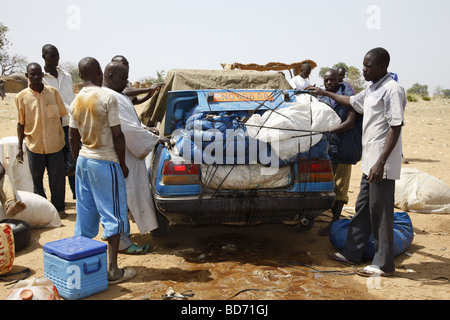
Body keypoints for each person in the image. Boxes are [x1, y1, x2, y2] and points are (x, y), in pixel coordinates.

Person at [308, 47, 406, 277]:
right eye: (363, 65)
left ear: (383, 66)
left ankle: (383, 265)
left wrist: (381, 162)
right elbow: (351, 101)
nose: (364, 69)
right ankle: (351, 253)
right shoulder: (372, 89)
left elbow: (395, 127)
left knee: (381, 213)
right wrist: (325, 92)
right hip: (369, 161)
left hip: (382, 164)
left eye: (368, 65)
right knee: (363, 209)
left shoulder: (392, 90)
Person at [68, 57, 135, 284]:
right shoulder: (107, 97)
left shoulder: (76, 100)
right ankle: (113, 270)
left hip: (84, 162)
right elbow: (117, 135)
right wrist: (122, 164)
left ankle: (81, 267)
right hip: (105, 161)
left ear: (80, 75)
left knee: (85, 216)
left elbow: (72, 137)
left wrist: (79, 161)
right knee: (113, 215)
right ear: (99, 72)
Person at [102, 61, 167, 254]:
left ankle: (119, 236)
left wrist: (147, 132)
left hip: (122, 154)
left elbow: (132, 124)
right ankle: (121, 241)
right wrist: (155, 139)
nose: (125, 83)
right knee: (122, 198)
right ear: (110, 75)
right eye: (123, 79)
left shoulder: (116, 95)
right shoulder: (111, 97)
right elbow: (127, 130)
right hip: (120, 156)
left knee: (122, 198)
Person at [313, 69, 362, 236]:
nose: (328, 83)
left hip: (344, 146)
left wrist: (328, 132)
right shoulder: (322, 95)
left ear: (338, 80)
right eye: (326, 81)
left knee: (340, 187)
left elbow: (349, 122)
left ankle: (334, 223)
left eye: (332, 80)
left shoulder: (346, 93)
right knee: (327, 183)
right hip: (328, 147)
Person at [15, 62, 67, 218]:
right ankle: (43, 211)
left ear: (43, 75)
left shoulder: (53, 93)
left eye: (39, 74)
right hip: (34, 145)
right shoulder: (21, 97)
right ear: (27, 76)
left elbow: (61, 118)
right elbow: (20, 123)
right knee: (37, 180)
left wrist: (66, 143)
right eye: (33, 74)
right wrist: (19, 146)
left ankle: (59, 209)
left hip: (55, 145)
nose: (36, 77)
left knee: (57, 179)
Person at [41, 44, 76, 199]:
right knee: (57, 164)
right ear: (44, 57)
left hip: (71, 123)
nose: (56, 59)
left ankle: (77, 196)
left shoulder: (67, 76)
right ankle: (58, 199)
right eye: (52, 56)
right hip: (52, 126)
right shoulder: (38, 77)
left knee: (74, 161)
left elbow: (71, 98)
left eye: (57, 55)